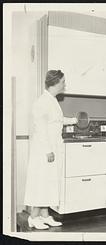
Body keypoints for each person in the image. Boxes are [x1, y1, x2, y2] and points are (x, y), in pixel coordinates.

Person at [24, 70, 78, 229]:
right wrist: (48, 150)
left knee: (49, 182)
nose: (64, 84)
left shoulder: (52, 100)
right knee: (41, 181)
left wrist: (74, 120)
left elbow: (57, 121)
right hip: (44, 149)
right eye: (62, 82)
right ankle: (33, 217)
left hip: (53, 145)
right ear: (55, 83)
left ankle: (45, 215)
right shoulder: (42, 102)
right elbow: (40, 128)